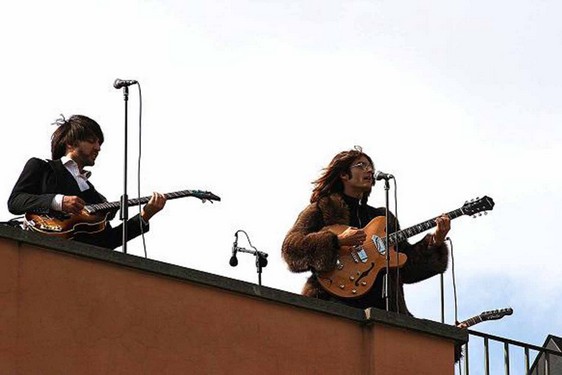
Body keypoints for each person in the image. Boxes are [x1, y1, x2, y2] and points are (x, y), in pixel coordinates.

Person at [281, 147, 451, 314]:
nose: (369, 170)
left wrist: (435, 241)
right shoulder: (323, 208)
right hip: (332, 303)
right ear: (344, 174)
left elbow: (406, 267)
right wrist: (336, 241)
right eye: (361, 165)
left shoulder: (383, 218)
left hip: (383, 311)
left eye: (371, 167)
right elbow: (291, 249)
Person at [7, 114, 166, 250]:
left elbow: (108, 241)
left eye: (99, 143)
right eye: (92, 141)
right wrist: (58, 201)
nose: (98, 148)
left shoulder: (94, 195)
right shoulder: (42, 167)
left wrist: (145, 215)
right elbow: (15, 202)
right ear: (71, 143)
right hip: (38, 251)